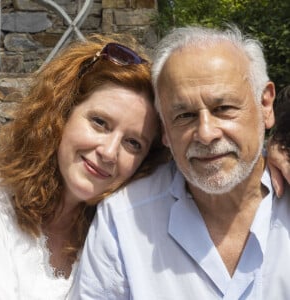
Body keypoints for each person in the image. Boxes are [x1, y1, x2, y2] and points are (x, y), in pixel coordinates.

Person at [71, 25, 290, 299]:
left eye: (223, 109)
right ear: (164, 129)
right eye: (184, 115)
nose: (206, 133)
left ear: (265, 105)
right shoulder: (123, 221)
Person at [0, 34, 169, 300]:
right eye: (99, 123)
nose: (109, 152)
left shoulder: (122, 233)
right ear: (61, 115)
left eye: (133, 143)